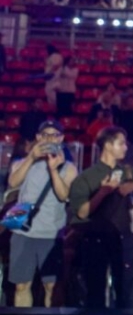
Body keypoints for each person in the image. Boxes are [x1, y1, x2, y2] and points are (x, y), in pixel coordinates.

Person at [68, 126, 133, 309]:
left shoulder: (129, 172)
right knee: (95, 289)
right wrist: (104, 191)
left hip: (123, 237)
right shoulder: (87, 177)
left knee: (126, 288)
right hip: (95, 238)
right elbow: (82, 213)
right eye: (121, 143)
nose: (126, 147)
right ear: (107, 145)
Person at [6, 120, 78, 307]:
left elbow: (63, 195)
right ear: (38, 137)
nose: (50, 139)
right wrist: (31, 157)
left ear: (61, 138)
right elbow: (13, 182)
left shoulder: (69, 168)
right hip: (22, 230)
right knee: (22, 286)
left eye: (54, 135)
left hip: (51, 233)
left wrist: (53, 169)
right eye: (45, 135)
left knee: (51, 286)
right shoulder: (21, 162)